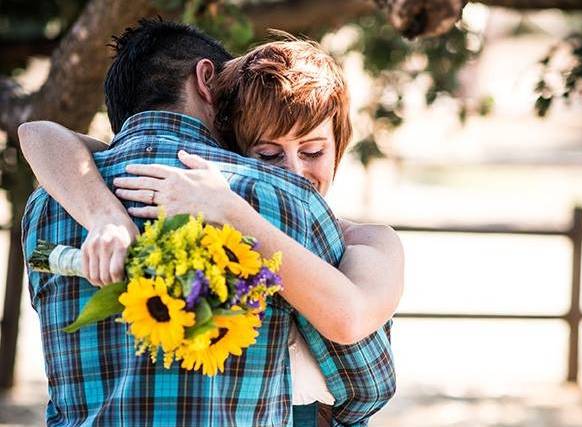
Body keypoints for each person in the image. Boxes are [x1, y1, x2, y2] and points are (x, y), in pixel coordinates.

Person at [21, 19, 399, 427]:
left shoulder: (51, 199)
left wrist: (107, 215)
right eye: (269, 153)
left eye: (312, 150)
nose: (291, 171)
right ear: (207, 80)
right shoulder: (282, 201)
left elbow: (42, 135)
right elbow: (366, 380)